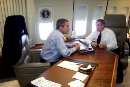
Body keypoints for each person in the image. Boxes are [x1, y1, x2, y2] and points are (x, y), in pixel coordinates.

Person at [86, 19, 123, 83]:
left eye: (98, 25)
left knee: (114, 65)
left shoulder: (110, 32)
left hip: (113, 51)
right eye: (96, 25)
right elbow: (87, 39)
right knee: (94, 60)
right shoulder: (95, 32)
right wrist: (91, 42)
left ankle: (117, 79)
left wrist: (106, 46)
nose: (97, 27)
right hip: (101, 51)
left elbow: (114, 45)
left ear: (103, 25)